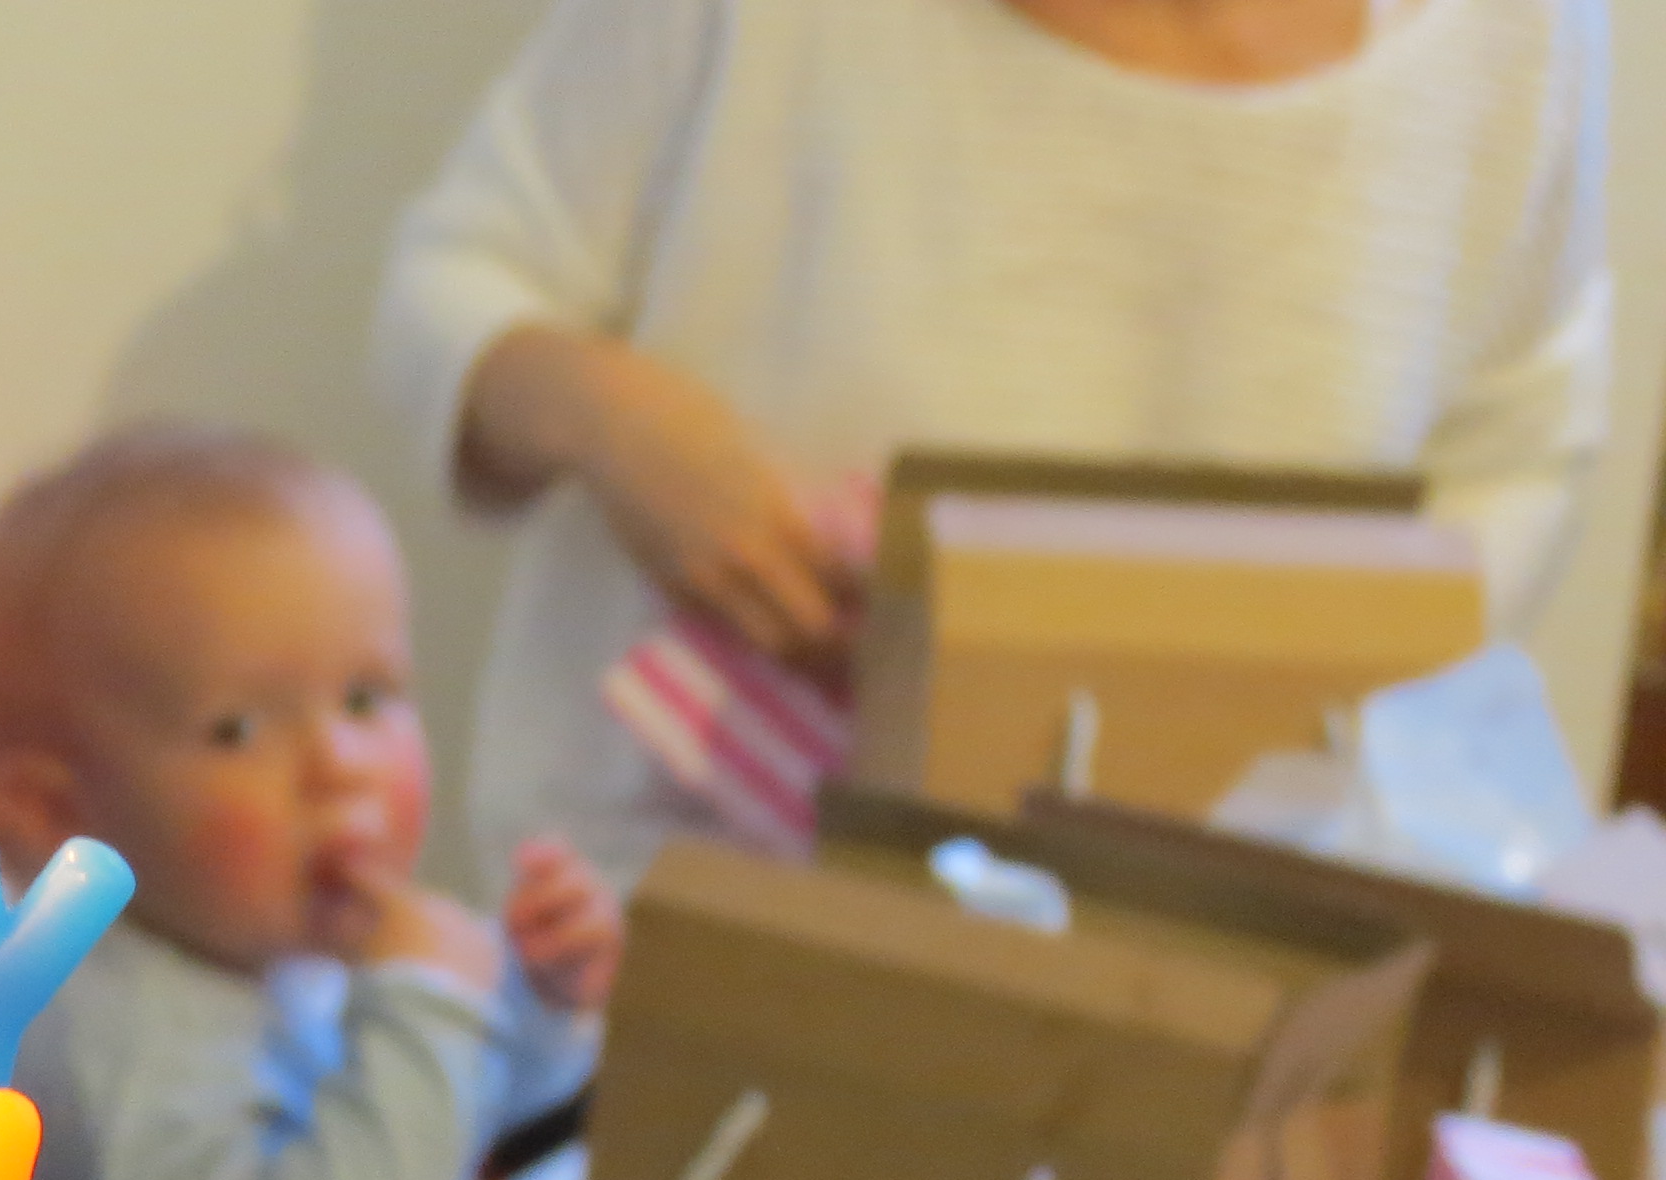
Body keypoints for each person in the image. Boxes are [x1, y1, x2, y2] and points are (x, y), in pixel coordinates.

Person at [373, 0, 1613, 889]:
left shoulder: (1514, 34)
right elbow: (456, 282)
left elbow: (1518, 442)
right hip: (661, 926)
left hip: (1200, 966)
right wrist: (610, 418)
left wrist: (1300, 670)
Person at [0, 427, 624, 1180]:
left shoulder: (247, 939)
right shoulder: (117, 1036)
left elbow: (416, 1143)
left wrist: (534, 1013)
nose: (341, 766)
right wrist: (432, 1009)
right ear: (59, 810)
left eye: (366, 697)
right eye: (239, 727)